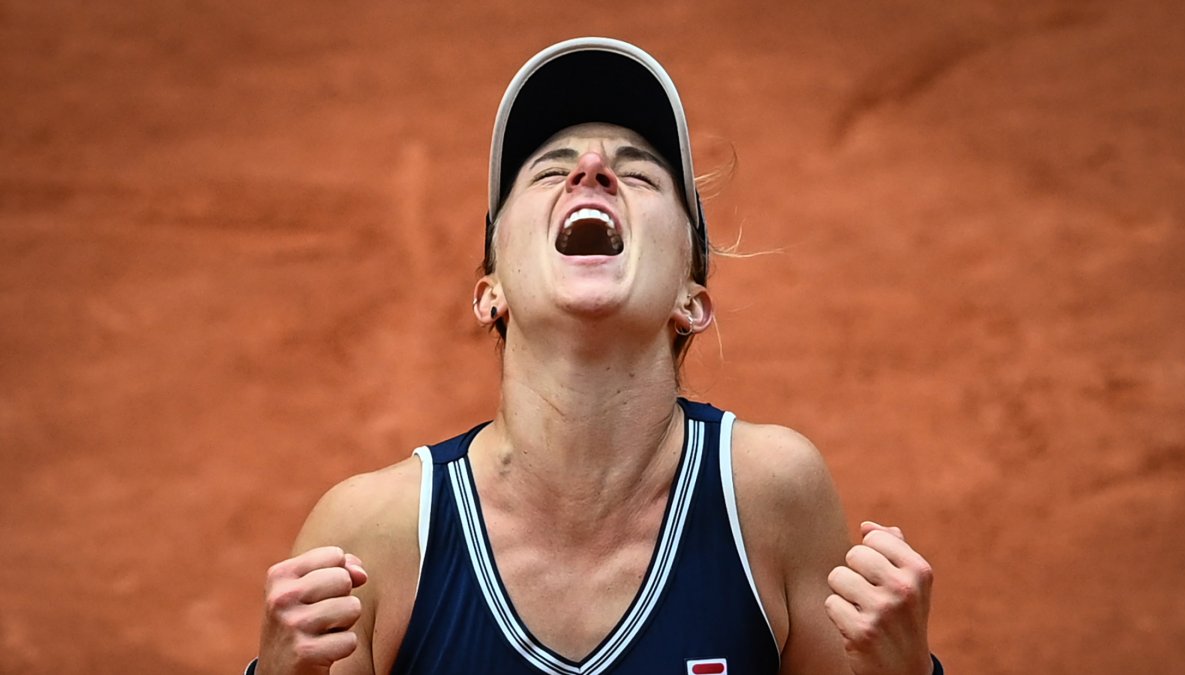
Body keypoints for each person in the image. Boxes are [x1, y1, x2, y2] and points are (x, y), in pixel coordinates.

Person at [249, 37, 942, 675]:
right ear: (489, 294)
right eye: (549, 171)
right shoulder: (374, 536)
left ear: (691, 299)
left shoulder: (771, 497)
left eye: (639, 176)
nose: (591, 170)